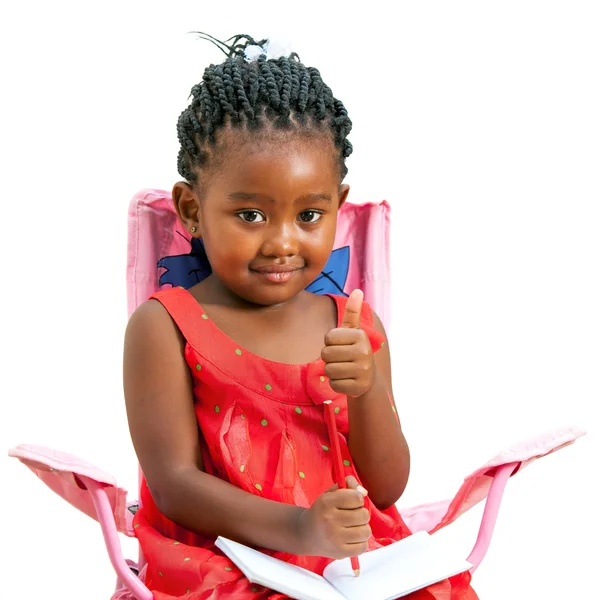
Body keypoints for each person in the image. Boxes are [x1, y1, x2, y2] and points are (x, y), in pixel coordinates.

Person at [122, 33, 474, 600]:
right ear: (192, 209)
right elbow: (174, 486)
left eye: (310, 214)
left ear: (338, 203)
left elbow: (385, 489)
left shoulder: (354, 328)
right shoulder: (164, 326)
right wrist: (299, 529)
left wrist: (364, 391)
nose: (282, 242)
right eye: (251, 214)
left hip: (353, 565)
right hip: (226, 558)